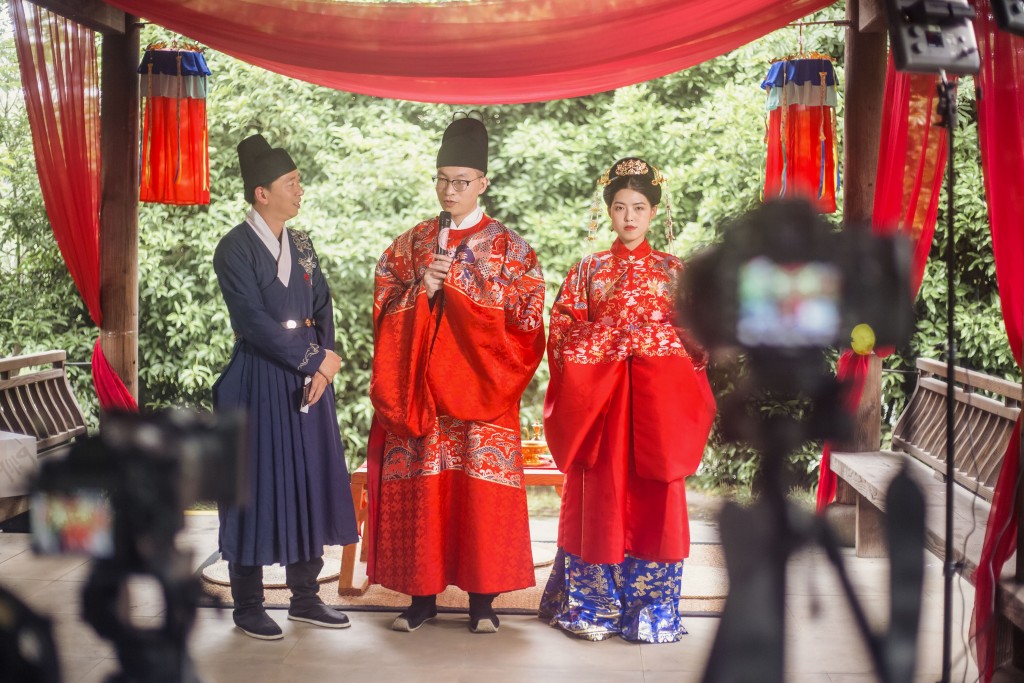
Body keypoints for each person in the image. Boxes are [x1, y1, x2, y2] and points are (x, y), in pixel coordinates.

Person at [367, 114, 546, 634]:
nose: (450, 190)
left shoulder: (512, 248)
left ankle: (482, 602)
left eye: (461, 181)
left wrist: (467, 287)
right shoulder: (411, 243)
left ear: (483, 184)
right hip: (421, 390)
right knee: (424, 488)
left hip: (483, 389)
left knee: (478, 491)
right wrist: (421, 290)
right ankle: (421, 599)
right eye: (443, 179)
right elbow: (383, 303)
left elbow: (529, 318)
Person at [538, 157, 716, 643]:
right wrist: (615, 340)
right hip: (601, 409)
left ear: (655, 212)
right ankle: (592, 608)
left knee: (655, 502)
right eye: (620, 207)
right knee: (599, 500)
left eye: (639, 207)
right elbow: (563, 335)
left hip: (658, 408)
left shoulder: (676, 273)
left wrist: (651, 343)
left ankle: (652, 612)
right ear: (608, 213)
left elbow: (699, 342)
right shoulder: (587, 271)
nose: (630, 217)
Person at [212, 133, 358, 640]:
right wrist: (313, 359)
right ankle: (248, 602)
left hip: (308, 382)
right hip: (256, 379)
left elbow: (323, 306)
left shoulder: (302, 243)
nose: (301, 190)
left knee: (308, 480)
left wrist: (325, 364)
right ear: (261, 193)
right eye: (291, 183)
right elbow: (251, 320)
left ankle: (305, 597)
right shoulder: (233, 248)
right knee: (252, 485)